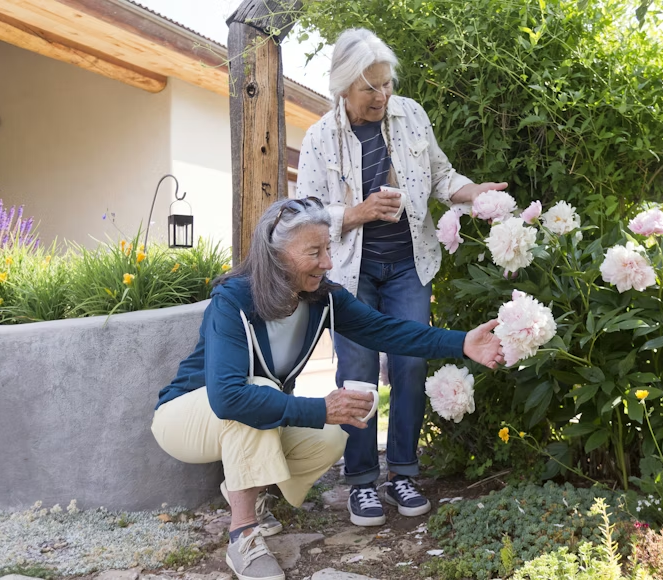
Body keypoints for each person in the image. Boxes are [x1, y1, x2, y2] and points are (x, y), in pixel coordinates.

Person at [151, 198, 504, 580]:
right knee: (256, 391)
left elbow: (386, 330)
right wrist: (320, 409)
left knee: (332, 436)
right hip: (184, 417)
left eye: (328, 249)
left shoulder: (323, 298)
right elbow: (227, 398)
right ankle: (244, 535)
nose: (328, 262)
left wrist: (461, 343)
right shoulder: (233, 300)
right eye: (314, 252)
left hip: (242, 413)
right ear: (277, 254)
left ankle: (249, 486)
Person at [296, 28, 508, 527]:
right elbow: (305, 215)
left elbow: (440, 177)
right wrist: (359, 212)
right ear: (343, 87)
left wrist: (474, 193)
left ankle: (404, 474)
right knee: (357, 372)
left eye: (387, 83)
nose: (382, 96)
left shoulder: (410, 115)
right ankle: (361, 481)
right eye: (370, 87)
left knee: (411, 363)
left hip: (410, 265)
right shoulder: (319, 138)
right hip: (350, 275)